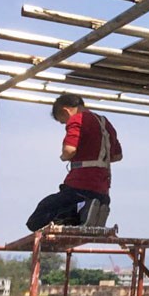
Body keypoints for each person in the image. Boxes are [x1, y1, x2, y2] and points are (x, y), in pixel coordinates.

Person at [26, 94, 122, 231]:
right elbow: (118, 155)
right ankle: (89, 213)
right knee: (66, 211)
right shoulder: (105, 122)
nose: (65, 124)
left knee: (39, 216)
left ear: (66, 111)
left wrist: (64, 156)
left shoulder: (78, 119)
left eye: (63, 121)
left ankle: (83, 208)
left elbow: (69, 150)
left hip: (79, 187)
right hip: (103, 192)